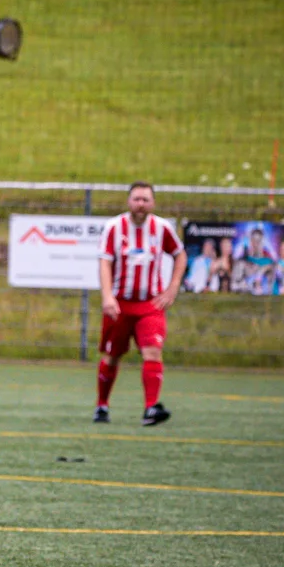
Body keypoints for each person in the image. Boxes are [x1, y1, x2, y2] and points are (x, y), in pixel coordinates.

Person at [95, 183, 182, 427]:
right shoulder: (114, 227)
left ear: (153, 203)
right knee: (112, 356)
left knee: (153, 351)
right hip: (120, 305)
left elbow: (180, 254)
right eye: (136, 199)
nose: (141, 204)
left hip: (150, 305)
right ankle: (102, 405)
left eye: (145, 200)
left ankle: (150, 408)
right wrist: (107, 296)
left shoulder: (162, 228)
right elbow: (104, 262)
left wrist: (172, 288)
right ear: (128, 201)